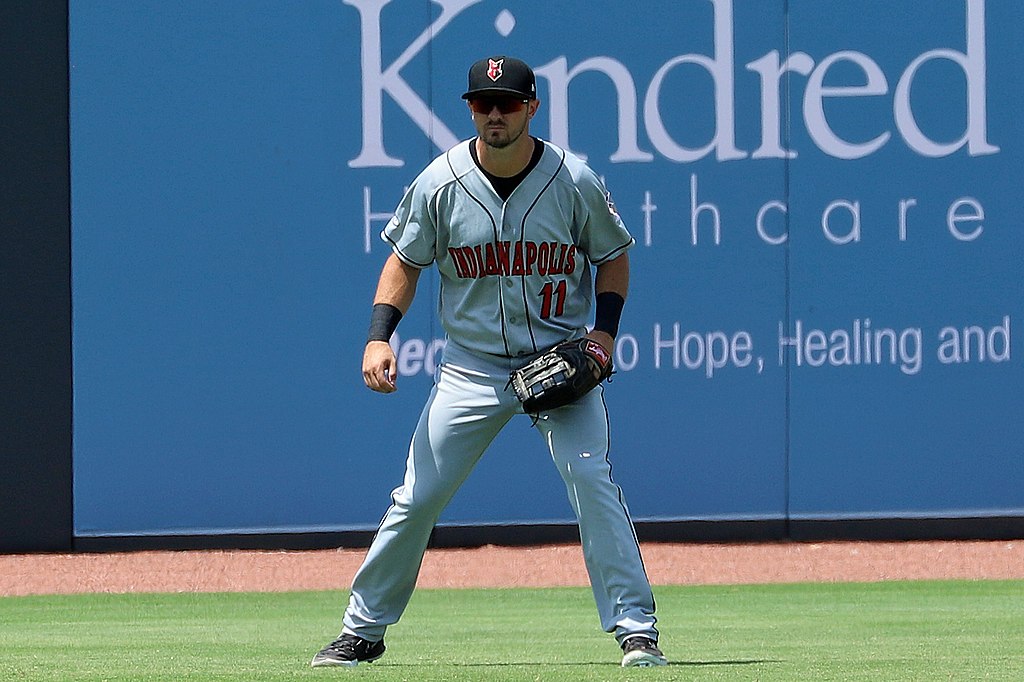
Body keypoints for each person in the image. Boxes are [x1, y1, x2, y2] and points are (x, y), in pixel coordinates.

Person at [312, 55, 667, 669]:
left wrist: (605, 335)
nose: (494, 112)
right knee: (418, 495)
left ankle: (637, 628)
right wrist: (378, 336)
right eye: (482, 102)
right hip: (472, 367)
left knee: (591, 479)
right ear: (469, 108)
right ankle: (362, 629)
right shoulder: (440, 181)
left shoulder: (572, 179)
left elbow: (612, 256)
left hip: (560, 359)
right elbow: (404, 261)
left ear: (532, 106)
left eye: (507, 102)